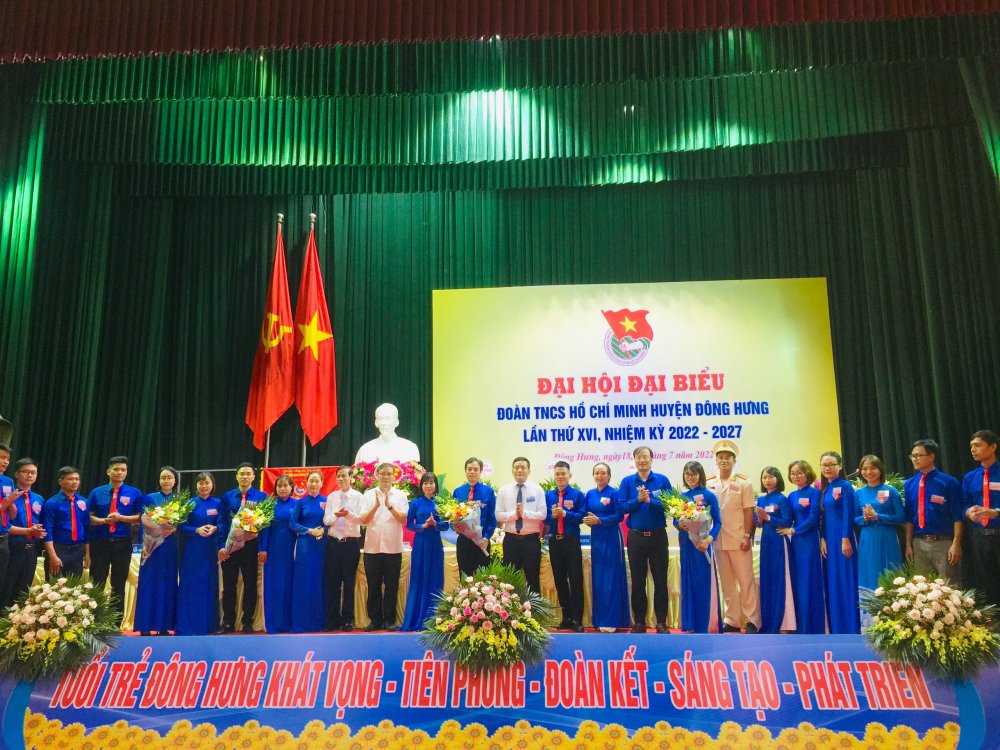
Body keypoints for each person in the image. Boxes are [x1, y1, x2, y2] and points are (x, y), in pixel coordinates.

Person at [707, 440, 760, 634]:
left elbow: (749, 510)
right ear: (716, 460)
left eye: (727, 458)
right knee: (727, 582)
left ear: (734, 461)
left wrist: (747, 535)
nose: (724, 460)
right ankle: (732, 619)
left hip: (739, 538)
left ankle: (752, 619)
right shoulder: (709, 482)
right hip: (718, 539)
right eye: (720, 457)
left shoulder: (743, 481)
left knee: (745, 580)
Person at [619, 445, 672, 634]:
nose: (642, 460)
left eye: (645, 457)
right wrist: (638, 500)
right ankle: (639, 622)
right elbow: (622, 507)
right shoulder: (627, 482)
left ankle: (661, 622)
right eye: (639, 457)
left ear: (651, 459)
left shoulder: (662, 480)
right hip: (636, 538)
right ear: (634, 460)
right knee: (638, 581)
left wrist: (651, 501)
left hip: (658, 536)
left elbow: (670, 506)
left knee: (660, 580)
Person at [87, 455, 143, 621]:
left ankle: (115, 623)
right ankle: (94, 621)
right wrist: (104, 521)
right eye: (116, 469)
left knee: (118, 584)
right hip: (100, 543)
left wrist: (121, 518)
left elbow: (140, 517)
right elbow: (88, 518)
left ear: (126, 472)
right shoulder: (97, 492)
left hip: (123, 544)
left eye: (123, 470)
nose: (119, 472)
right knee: (97, 582)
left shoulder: (134, 493)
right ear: (108, 471)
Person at [903, 439, 963, 582]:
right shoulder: (910, 484)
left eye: (918, 455)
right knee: (922, 588)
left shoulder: (949, 482)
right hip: (919, 542)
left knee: (949, 586)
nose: (915, 459)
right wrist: (908, 545)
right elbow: (909, 517)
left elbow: (958, 515)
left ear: (931, 456)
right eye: (912, 456)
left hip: (943, 542)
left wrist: (956, 543)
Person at [218, 463, 267, 634]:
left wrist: (262, 548)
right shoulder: (227, 497)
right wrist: (221, 546)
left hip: (251, 546)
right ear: (236, 476)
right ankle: (228, 622)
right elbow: (222, 522)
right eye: (242, 474)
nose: (245, 477)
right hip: (230, 547)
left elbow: (265, 524)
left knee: (250, 584)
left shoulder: (261, 497)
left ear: (254, 477)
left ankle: (247, 622)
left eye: (248, 474)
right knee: (229, 585)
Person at [675, 461, 722, 634]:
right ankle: (690, 624)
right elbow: (675, 519)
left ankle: (705, 624)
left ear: (700, 475)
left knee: (702, 583)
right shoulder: (681, 496)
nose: (691, 477)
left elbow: (718, 522)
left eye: (694, 474)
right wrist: (679, 524)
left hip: (702, 545)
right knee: (687, 582)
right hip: (686, 543)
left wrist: (709, 539)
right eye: (687, 474)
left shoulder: (709, 495)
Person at [779, 460, 826, 634]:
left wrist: (794, 530)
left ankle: (813, 626)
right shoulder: (791, 496)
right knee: (798, 582)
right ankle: (799, 624)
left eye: (799, 473)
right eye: (793, 473)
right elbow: (787, 518)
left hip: (810, 540)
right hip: (796, 543)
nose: (796, 476)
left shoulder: (815, 493)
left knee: (810, 580)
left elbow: (813, 518)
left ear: (807, 473)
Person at [360, 463, 408, 630]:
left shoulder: (400, 495)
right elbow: (363, 520)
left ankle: (389, 620)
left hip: (393, 547)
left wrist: (389, 506)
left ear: (394, 476)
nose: (386, 476)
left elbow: (403, 519)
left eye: (389, 473)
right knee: (373, 585)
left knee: (391, 585)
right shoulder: (368, 495)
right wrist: (375, 506)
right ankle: (375, 620)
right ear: (377, 475)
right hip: (372, 548)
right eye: (382, 473)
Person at [582, 462, 629, 633]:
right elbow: (584, 513)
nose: (599, 476)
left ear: (609, 475)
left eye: (603, 473)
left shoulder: (614, 493)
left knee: (611, 578)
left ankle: (613, 619)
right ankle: (599, 619)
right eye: (597, 473)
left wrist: (600, 520)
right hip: (596, 538)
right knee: (599, 579)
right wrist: (588, 520)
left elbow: (619, 516)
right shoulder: (590, 494)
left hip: (611, 537)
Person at [134, 466, 181, 635]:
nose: (166, 481)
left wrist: (174, 529)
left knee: (168, 583)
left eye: (170, 478)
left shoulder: (179, 500)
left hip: (170, 546)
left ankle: (164, 626)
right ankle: (145, 626)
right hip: (151, 547)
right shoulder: (149, 498)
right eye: (163, 478)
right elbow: (143, 523)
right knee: (148, 583)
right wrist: (147, 543)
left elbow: (184, 524)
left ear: (175, 480)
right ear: (159, 480)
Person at [176, 472, 223, 636]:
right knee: (190, 585)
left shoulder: (218, 503)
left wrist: (216, 528)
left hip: (210, 551)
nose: (204, 486)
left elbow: (224, 524)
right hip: (192, 550)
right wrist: (196, 529)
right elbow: (181, 526)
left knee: (209, 586)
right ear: (196, 485)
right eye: (201, 483)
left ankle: (209, 626)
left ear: (212, 484)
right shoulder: (189, 503)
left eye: (207, 483)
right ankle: (187, 625)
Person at [819, 450, 859, 633]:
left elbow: (848, 514)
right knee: (833, 581)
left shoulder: (845, 486)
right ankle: (837, 627)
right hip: (829, 540)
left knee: (846, 580)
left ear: (840, 466)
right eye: (824, 465)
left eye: (831, 465)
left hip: (844, 540)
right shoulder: (825, 489)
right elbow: (823, 517)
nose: (827, 468)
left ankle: (851, 627)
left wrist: (845, 539)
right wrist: (822, 538)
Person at [402, 472, 448, 631]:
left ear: (436, 485)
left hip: (435, 544)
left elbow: (446, 526)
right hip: (420, 544)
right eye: (426, 483)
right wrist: (423, 526)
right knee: (419, 578)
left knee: (435, 578)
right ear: (421, 485)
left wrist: (435, 524)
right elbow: (409, 525)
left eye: (431, 483)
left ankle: (435, 619)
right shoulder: (415, 503)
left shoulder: (441, 503)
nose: (429, 486)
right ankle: (416, 618)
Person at [495, 457, 547, 593]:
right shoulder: (504, 490)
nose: (519, 470)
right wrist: (515, 514)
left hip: (531, 541)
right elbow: (498, 515)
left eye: (523, 467)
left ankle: (534, 607)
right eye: (516, 467)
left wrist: (524, 513)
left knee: (533, 580)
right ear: (512, 470)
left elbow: (542, 514)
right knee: (510, 581)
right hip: (511, 541)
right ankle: (512, 607)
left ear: (529, 470)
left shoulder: (537, 490)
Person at [545, 461, 585, 632]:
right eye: (557, 474)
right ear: (554, 476)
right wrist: (552, 516)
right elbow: (544, 519)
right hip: (555, 542)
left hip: (571, 541)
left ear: (570, 475)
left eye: (563, 474)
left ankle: (577, 619)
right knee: (560, 581)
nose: (560, 477)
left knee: (575, 580)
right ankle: (566, 617)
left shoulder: (577, 495)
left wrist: (565, 513)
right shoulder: (548, 495)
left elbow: (581, 517)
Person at [854, 455, 904, 591]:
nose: (868, 472)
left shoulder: (891, 491)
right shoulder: (858, 494)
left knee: (889, 570)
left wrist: (878, 516)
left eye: (873, 468)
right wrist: (864, 518)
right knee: (869, 570)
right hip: (867, 538)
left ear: (880, 470)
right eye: (865, 469)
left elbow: (900, 517)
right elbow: (855, 518)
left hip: (887, 537)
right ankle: (869, 604)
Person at [755, 466, 796, 634]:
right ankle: (769, 620)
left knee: (781, 580)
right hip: (766, 542)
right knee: (768, 580)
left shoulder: (782, 499)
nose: (767, 480)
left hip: (779, 542)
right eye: (764, 477)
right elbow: (758, 524)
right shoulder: (761, 499)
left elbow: (787, 521)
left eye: (771, 477)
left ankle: (785, 624)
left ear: (778, 479)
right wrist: (758, 519)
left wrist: (767, 517)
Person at [962, 429, 1000, 609]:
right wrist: (968, 512)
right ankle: (993, 618)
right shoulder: (970, 477)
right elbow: (963, 504)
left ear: (993, 447)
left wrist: (996, 512)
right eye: (971, 446)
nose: (973, 449)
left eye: (977, 445)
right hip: (979, 536)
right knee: (986, 581)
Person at [323, 465, 363, 631]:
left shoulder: (358, 496)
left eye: (344, 476)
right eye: (338, 476)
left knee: (349, 583)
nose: (340, 479)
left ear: (351, 478)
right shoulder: (332, 496)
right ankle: (332, 620)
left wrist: (348, 515)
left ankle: (347, 620)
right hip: (333, 543)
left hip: (351, 543)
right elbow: (326, 520)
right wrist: (336, 515)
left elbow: (362, 520)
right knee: (332, 583)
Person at [3, 458, 46, 606]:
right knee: (7, 588)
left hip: (31, 550)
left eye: (33, 472)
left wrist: (38, 531)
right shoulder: (8, 496)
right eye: (26, 472)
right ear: (16, 474)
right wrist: (28, 531)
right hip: (12, 548)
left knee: (23, 591)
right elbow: (5, 525)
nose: (30, 475)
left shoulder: (38, 498)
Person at [290, 470, 328, 633]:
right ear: (306, 483)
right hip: (305, 546)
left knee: (319, 581)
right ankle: (302, 621)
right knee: (304, 581)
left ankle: (320, 621)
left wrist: (323, 530)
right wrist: (309, 531)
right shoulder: (300, 502)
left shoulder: (327, 501)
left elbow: (331, 521)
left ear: (322, 483)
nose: (314, 484)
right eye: (311, 481)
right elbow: (292, 523)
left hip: (322, 545)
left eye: (317, 481)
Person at [259, 473, 297, 633]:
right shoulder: (270, 505)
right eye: (279, 486)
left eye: (285, 485)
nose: (282, 489)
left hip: (292, 551)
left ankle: (289, 622)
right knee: (274, 586)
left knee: (289, 586)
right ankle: (273, 623)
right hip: (273, 552)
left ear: (291, 487)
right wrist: (262, 549)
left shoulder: (297, 504)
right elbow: (264, 529)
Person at [450, 457, 496, 578]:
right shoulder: (458, 492)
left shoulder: (488, 492)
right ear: (465, 471)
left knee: (483, 579)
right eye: (469, 469)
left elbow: (492, 518)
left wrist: (486, 537)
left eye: (475, 469)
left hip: (482, 542)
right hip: (464, 541)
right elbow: (452, 516)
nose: (472, 472)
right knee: (465, 578)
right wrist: (454, 527)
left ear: (480, 472)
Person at [42, 466, 90, 579]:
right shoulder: (52, 503)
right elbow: (47, 531)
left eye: (77, 479)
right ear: (60, 481)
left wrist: (87, 553)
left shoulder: (83, 501)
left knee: (75, 587)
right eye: (70, 479)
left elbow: (87, 528)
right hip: (58, 549)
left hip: (78, 550)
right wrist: (52, 556)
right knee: (55, 587)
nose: (75, 482)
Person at [355, 403, 420, 464]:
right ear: (376, 423)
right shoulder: (365, 450)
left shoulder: (410, 448)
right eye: (380, 419)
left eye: (388, 418)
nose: (383, 423)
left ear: (397, 422)